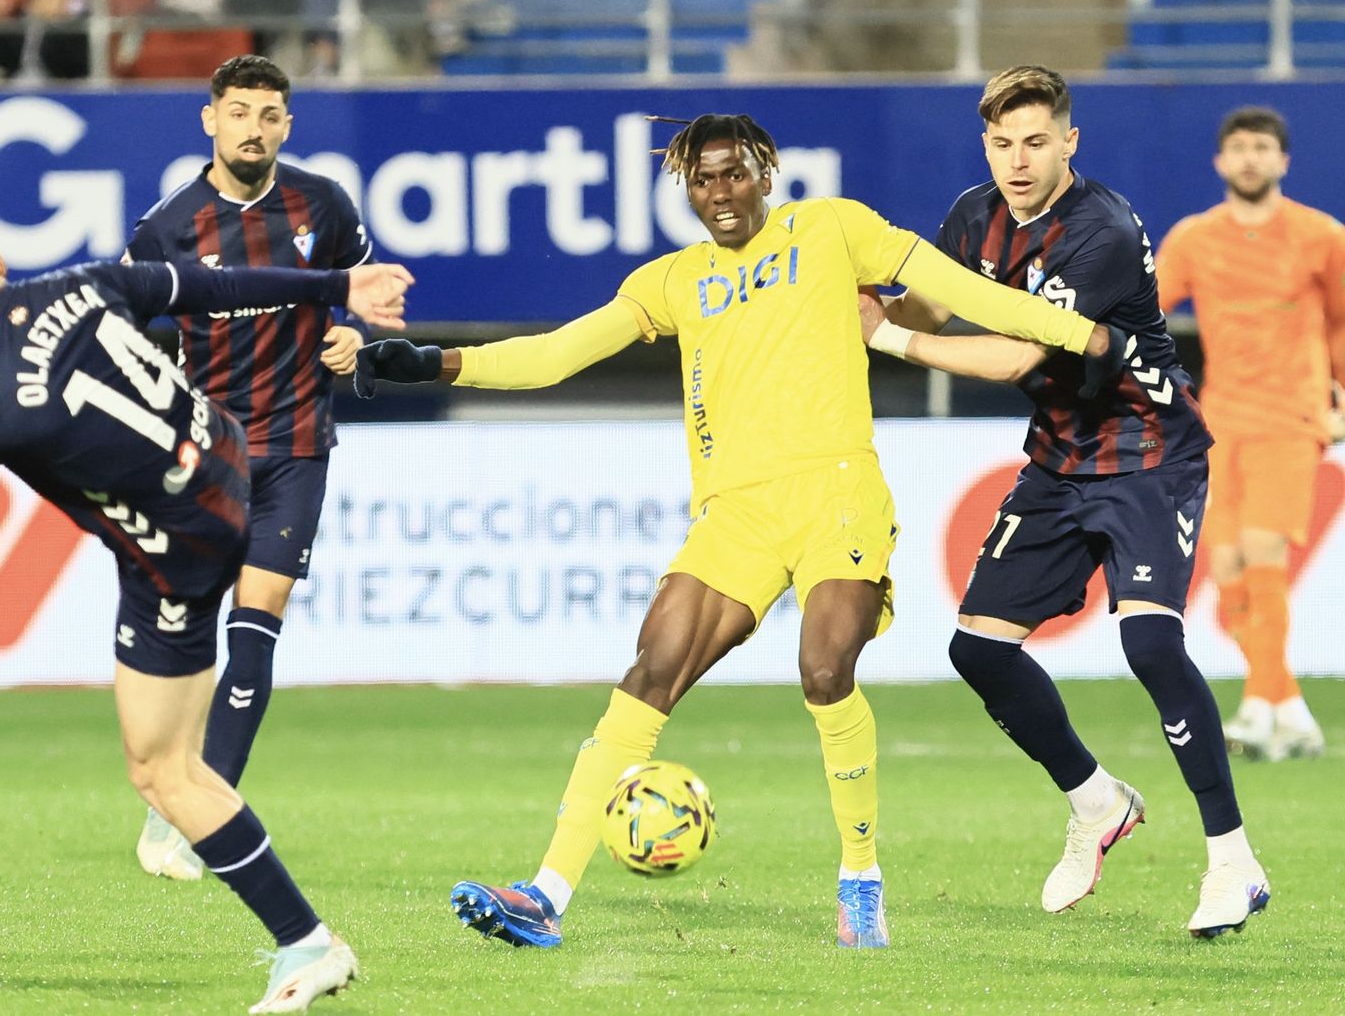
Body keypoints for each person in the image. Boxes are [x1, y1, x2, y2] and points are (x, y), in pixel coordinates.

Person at [352, 112, 1118, 951]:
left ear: (764, 173)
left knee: (824, 668)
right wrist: (436, 362)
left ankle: (860, 878)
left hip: (835, 493)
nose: (719, 192)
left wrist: (1079, 333)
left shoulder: (832, 228)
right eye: (702, 179)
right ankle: (545, 895)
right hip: (735, 513)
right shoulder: (673, 280)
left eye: (733, 173)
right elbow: (557, 354)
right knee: (650, 671)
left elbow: (964, 292)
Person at [0, 201, 410, 1012]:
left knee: (160, 771)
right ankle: (298, 930)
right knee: (177, 763)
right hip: (229, 464)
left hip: (178, 552)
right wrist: (339, 285)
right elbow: (211, 289)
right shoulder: (83, 284)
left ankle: (308, 941)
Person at [861, 66, 1267, 938]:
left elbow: (1016, 355)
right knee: (979, 650)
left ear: (1070, 142)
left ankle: (1234, 860)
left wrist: (884, 335)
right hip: (1059, 457)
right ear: (985, 146)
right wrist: (859, 307)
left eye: (1036, 142)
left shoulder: (1101, 231)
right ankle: (1097, 800)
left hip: (1148, 451)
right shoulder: (973, 214)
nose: (1018, 160)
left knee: (1150, 642)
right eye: (1002, 143)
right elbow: (927, 306)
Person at [123, 54, 380, 883]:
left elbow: (365, 295)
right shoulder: (167, 227)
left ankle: (197, 815)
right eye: (238, 112)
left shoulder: (323, 204)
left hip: (298, 446)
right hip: (208, 455)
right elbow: (123, 330)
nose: (253, 129)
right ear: (211, 119)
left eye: (269, 116)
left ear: (287, 125)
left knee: (256, 629)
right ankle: (170, 784)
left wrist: (355, 335)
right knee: (190, 634)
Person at [1155, 106, 1345, 762]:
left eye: (1262, 148)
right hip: (1220, 420)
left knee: (1264, 552)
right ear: (1220, 161)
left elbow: (1343, 320)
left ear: (1283, 160)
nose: (1250, 158)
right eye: (1239, 147)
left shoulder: (1321, 236)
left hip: (1292, 414)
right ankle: (1290, 708)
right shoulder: (1195, 238)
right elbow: (1147, 307)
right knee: (1227, 566)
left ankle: (1257, 708)